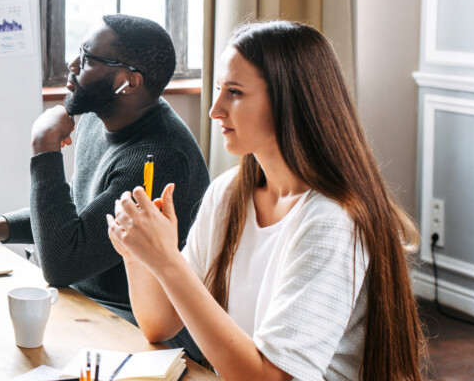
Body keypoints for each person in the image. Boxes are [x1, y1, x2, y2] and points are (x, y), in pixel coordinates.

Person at [107, 21, 425, 381]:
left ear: (290, 102)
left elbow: (268, 378)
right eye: (218, 90)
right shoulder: (229, 194)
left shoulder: (331, 221)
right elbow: (159, 325)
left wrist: (167, 261)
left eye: (235, 92)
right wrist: (137, 256)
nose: (215, 110)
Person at [0, 14, 210, 361]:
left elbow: (61, 264)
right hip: (85, 305)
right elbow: (81, 213)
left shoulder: (155, 159)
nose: (71, 65)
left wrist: (44, 147)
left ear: (129, 83)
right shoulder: (99, 119)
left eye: (86, 60)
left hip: (142, 333)